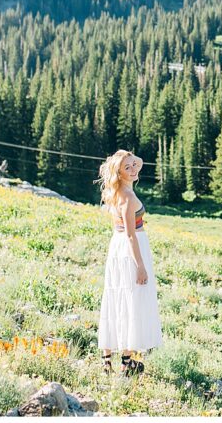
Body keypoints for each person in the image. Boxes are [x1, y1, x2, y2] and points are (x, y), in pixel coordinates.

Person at [95, 150, 163, 376]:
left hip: (118, 248)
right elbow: (131, 235)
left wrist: (126, 159)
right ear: (119, 173)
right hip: (131, 249)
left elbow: (141, 162)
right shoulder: (128, 198)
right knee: (132, 300)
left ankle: (107, 361)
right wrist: (141, 266)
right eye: (128, 168)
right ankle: (126, 362)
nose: (135, 169)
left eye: (134, 166)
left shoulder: (117, 191)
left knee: (115, 298)